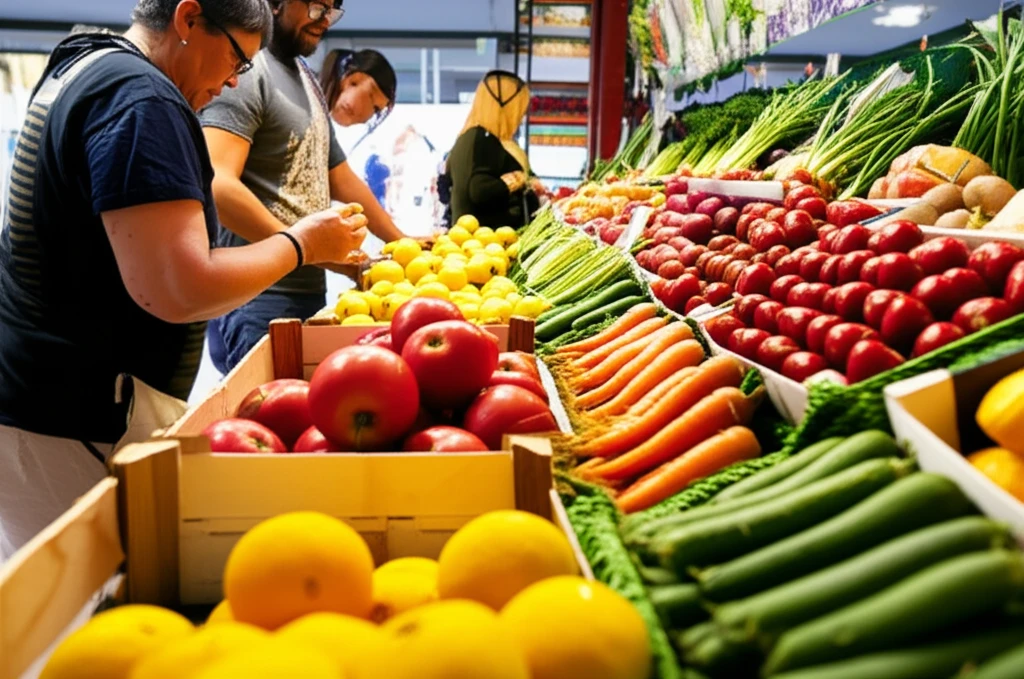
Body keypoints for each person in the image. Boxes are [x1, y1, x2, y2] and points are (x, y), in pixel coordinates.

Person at [0, 0, 368, 560]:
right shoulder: (141, 99)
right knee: (86, 606)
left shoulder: (83, 64)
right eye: (235, 60)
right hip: (77, 411)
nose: (230, 83)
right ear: (188, 18)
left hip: (38, 401)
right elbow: (179, 288)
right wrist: (302, 245)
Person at [201, 6, 406, 375]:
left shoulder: (306, 79)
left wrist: (402, 243)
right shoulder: (249, 72)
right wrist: (309, 249)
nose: (324, 18)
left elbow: (341, 179)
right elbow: (218, 184)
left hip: (305, 292)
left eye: (332, 10)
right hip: (258, 296)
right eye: (315, 5)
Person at [446, 70, 540, 228]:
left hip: (480, 242)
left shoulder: (470, 137)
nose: (520, 116)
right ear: (506, 106)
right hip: (487, 243)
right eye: (519, 109)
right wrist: (518, 179)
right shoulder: (483, 139)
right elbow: (480, 190)